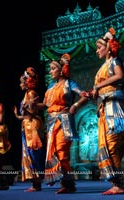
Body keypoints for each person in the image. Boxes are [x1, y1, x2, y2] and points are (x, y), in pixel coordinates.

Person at [30, 53, 88, 194]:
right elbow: (45, 104)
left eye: (53, 68)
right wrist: (33, 105)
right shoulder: (50, 87)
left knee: (62, 152)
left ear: (61, 70)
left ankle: (69, 184)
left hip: (64, 121)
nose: (50, 71)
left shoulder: (69, 84)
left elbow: (84, 95)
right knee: (54, 153)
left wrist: (75, 106)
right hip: (51, 123)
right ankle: (65, 183)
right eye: (50, 69)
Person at [89, 27, 124, 195]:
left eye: (99, 47)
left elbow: (119, 76)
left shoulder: (115, 61)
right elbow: (101, 88)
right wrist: (93, 93)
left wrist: (98, 86)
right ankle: (116, 183)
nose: (97, 51)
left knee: (113, 145)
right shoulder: (103, 67)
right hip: (104, 108)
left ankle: (119, 185)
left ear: (108, 47)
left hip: (114, 108)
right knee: (106, 145)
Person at [13, 67, 45, 192]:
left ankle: (37, 183)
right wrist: (18, 116)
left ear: (27, 82)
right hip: (26, 125)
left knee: (33, 153)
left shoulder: (32, 93)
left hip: (32, 126)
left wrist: (27, 106)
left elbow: (33, 111)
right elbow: (26, 113)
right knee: (28, 153)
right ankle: (35, 182)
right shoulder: (27, 95)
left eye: (22, 82)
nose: (20, 84)